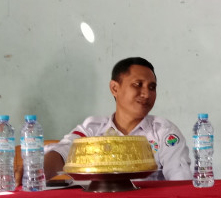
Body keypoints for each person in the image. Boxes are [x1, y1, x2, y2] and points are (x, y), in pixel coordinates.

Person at [43, 57, 191, 180]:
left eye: (152, 87)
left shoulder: (163, 132)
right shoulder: (92, 129)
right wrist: (41, 176)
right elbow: (59, 154)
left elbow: (180, 181)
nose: (146, 94)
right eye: (138, 85)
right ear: (115, 88)